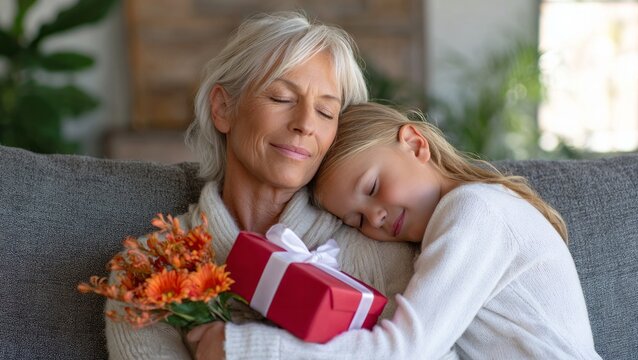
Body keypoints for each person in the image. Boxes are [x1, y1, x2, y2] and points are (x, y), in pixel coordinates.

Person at [105, 13, 420, 360]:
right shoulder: (147, 269)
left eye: (326, 113)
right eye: (282, 98)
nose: (305, 124)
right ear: (223, 108)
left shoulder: (382, 250)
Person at [192, 102, 601, 359]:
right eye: (357, 220)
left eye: (371, 188)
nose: (376, 219)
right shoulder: (438, 239)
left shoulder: (475, 210)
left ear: (415, 144)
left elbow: (407, 349)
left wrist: (244, 348)